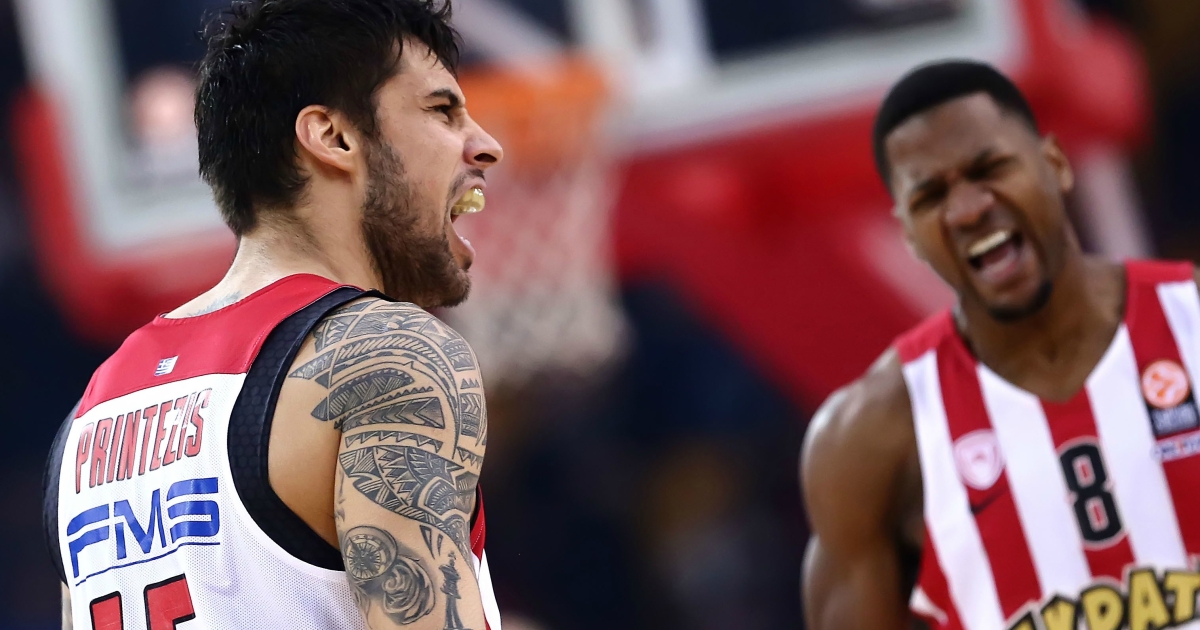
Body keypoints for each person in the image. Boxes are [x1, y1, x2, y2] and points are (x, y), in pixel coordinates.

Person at [42, 1, 505, 628]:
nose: (485, 146)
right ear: (333, 138)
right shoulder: (386, 356)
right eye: (442, 110)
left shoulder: (87, 416)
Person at [801, 60, 1200, 630]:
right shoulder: (872, 437)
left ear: (1056, 165)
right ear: (909, 234)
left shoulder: (1190, 322)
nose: (968, 209)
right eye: (931, 196)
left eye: (990, 169)